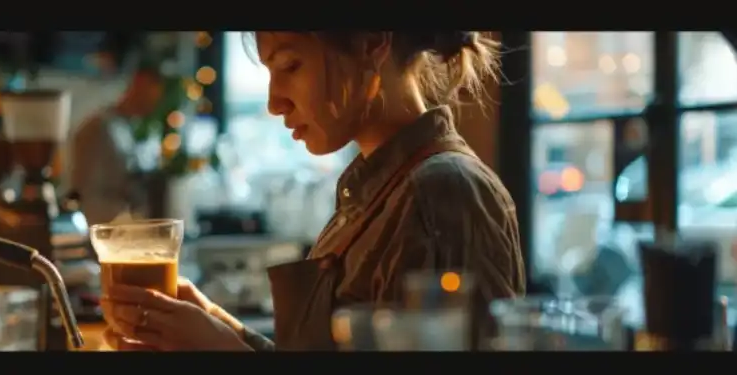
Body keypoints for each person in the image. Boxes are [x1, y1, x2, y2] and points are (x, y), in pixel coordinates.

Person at [102, 31, 526, 351]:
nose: (274, 102)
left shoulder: (444, 192)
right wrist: (214, 325)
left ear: (372, 42)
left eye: (290, 67)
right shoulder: (374, 193)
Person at [68, 67, 163, 225]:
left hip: (120, 222)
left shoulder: (126, 127)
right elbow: (85, 189)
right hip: (102, 224)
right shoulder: (99, 126)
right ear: (138, 84)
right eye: (151, 93)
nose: (154, 103)